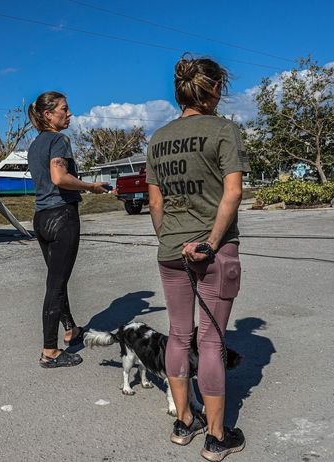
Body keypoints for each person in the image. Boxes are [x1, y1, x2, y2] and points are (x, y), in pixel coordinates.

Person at [146, 54, 250, 461]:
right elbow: (234, 192)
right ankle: (217, 436)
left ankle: (184, 422)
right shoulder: (223, 130)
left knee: (178, 335)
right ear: (213, 90)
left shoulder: (158, 139)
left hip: (170, 250)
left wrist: (171, 238)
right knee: (210, 340)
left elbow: (155, 201)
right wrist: (208, 240)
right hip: (214, 250)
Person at [27, 91, 110, 369]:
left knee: (56, 279)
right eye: (64, 109)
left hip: (41, 218)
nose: (70, 113)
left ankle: (71, 328)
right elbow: (59, 177)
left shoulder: (35, 144)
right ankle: (49, 350)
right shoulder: (59, 140)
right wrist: (91, 187)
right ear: (49, 115)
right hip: (62, 216)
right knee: (56, 284)